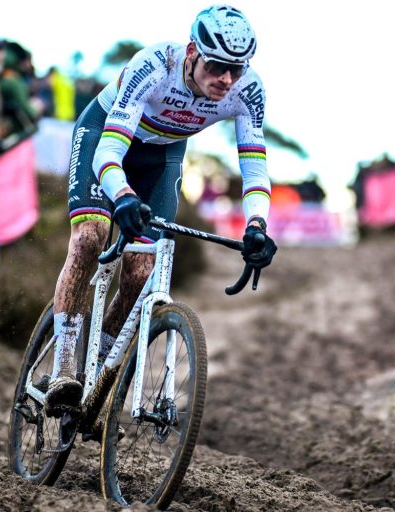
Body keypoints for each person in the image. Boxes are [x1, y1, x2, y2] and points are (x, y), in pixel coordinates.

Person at [45, 4, 278, 415]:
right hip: (108, 137)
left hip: (163, 155)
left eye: (236, 70)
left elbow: (254, 168)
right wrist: (122, 197)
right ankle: (64, 365)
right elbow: (110, 152)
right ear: (192, 51)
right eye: (217, 66)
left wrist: (257, 224)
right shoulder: (153, 65)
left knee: (141, 269)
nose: (226, 79)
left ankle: (99, 362)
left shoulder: (248, 90)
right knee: (89, 239)